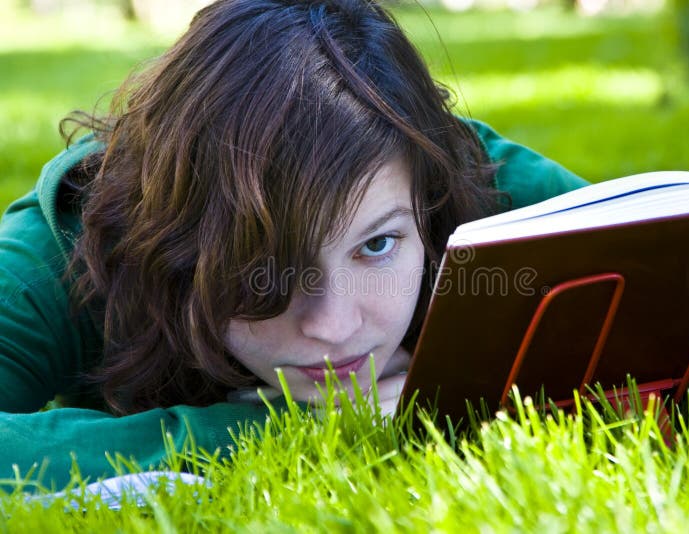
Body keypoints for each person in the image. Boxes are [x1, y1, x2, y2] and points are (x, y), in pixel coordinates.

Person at [0, 0, 587, 490]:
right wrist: (266, 427)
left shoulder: (463, 180)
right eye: (265, 266)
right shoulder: (73, 241)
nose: (332, 326)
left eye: (378, 244)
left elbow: (675, 280)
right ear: (176, 242)